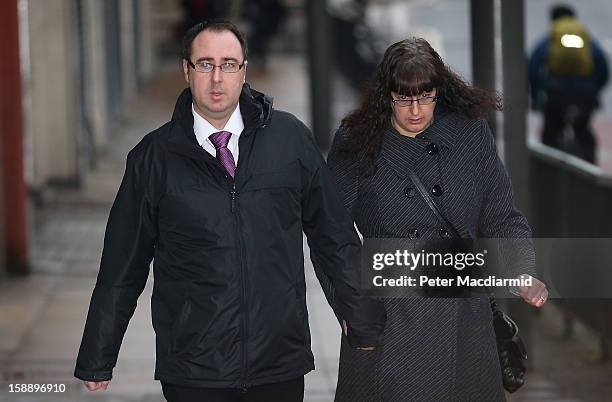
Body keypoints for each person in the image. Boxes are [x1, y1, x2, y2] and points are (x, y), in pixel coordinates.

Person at [74, 20, 385, 402]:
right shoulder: (152, 159)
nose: (217, 78)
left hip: (278, 362)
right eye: (205, 64)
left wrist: (362, 316)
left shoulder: (290, 140)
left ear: (244, 71)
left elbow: (333, 236)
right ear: (186, 71)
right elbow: (122, 265)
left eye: (228, 64)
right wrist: (98, 355)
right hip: (193, 369)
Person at [321, 37, 549, 401]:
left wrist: (521, 269)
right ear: (386, 96)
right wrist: (349, 307)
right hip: (389, 315)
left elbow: (502, 215)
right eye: (403, 99)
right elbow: (330, 234)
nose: (415, 111)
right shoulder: (357, 142)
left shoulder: (469, 134)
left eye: (425, 97)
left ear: (439, 92)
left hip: (464, 316)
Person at [528, 4, 609, 163]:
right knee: (583, 129)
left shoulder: (551, 38)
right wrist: (594, 92)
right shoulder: (587, 39)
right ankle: (591, 166)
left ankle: (547, 169)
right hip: (585, 94)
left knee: (550, 131)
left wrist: (536, 97)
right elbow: (603, 68)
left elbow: (533, 68)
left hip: (556, 93)